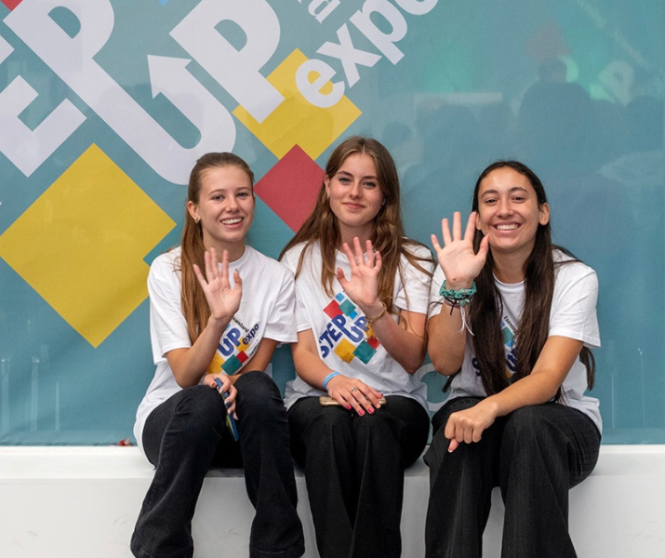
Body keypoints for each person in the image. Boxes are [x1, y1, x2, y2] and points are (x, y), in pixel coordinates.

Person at [131, 152, 304, 558]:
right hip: (176, 426)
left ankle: (277, 550)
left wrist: (231, 382)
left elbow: (256, 373)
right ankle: (161, 550)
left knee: (260, 387)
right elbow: (185, 375)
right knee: (204, 399)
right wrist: (217, 321)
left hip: (239, 430)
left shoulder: (275, 277)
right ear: (194, 209)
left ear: (254, 203)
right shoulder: (168, 270)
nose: (233, 206)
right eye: (218, 197)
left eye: (242, 194)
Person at [424, 161, 601, 558]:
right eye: (491, 200)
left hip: (559, 429)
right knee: (458, 432)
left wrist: (489, 408)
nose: (504, 209)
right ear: (479, 218)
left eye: (518, 198)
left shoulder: (574, 278)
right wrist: (457, 286)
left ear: (543, 212)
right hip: (480, 430)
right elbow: (445, 363)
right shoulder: (454, 268)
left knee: (529, 422)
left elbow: (548, 379)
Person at [279, 136, 433, 558]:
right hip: (318, 400)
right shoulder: (298, 259)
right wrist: (336, 382)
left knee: (373, 425)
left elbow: (414, 356)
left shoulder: (414, 260)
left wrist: (374, 309)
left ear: (385, 197)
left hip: (395, 406)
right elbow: (304, 354)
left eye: (369, 183)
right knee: (329, 427)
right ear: (327, 187)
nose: (354, 192)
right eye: (344, 179)